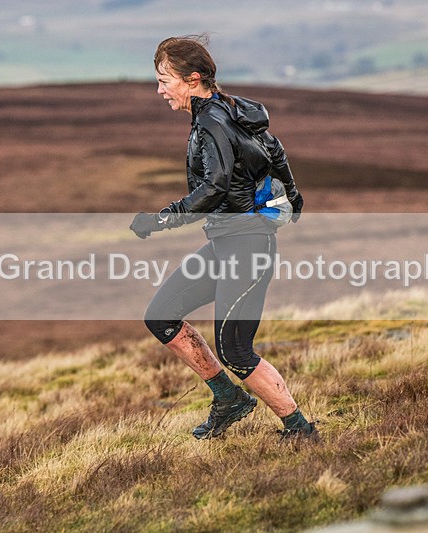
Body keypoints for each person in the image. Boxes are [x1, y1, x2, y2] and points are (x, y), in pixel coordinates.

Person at [130, 35, 315, 441]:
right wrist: (291, 194)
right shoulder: (227, 111)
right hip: (224, 243)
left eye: (165, 80)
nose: (160, 90)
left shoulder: (213, 120)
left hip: (248, 244)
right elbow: (274, 151)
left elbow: (213, 188)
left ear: (192, 79)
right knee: (161, 316)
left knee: (235, 348)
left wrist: (163, 219)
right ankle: (228, 398)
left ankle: (300, 429)